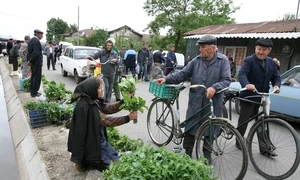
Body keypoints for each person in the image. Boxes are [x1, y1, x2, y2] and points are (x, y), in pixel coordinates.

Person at [155, 35, 231, 158]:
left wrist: (214, 88)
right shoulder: (196, 60)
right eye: (200, 47)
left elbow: (227, 80)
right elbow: (183, 74)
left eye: (203, 47)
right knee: (191, 127)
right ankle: (187, 153)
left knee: (209, 129)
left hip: (212, 102)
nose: (200, 49)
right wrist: (166, 79)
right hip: (196, 101)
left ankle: (207, 155)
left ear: (212, 48)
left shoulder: (223, 61)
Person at [67, 77, 138, 172]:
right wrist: (127, 118)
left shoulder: (92, 99)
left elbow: (108, 108)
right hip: (91, 141)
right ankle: (86, 162)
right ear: (92, 89)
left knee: (108, 151)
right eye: (99, 88)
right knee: (112, 162)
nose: (102, 90)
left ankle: (85, 161)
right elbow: (106, 121)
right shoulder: (88, 105)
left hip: (93, 138)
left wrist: (123, 102)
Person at [237, 38, 281, 156]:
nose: (261, 52)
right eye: (259, 49)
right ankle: (239, 140)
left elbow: (276, 77)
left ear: (269, 50)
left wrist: (276, 86)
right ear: (255, 48)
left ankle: (265, 148)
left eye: (264, 50)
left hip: (263, 97)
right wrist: (247, 84)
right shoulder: (249, 61)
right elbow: (242, 75)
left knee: (263, 122)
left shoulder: (271, 62)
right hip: (249, 96)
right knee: (244, 120)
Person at [27, 29, 44, 97]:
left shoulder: (31, 40)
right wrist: (30, 60)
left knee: (33, 77)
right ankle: (34, 92)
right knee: (37, 78)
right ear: (37, 34)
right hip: (36, 62)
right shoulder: (36, 41)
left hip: (33, 62)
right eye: (41, 34)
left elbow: (29, 52)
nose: (42, 36)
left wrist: (30, 60)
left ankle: (33, 91)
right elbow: (35, 53)